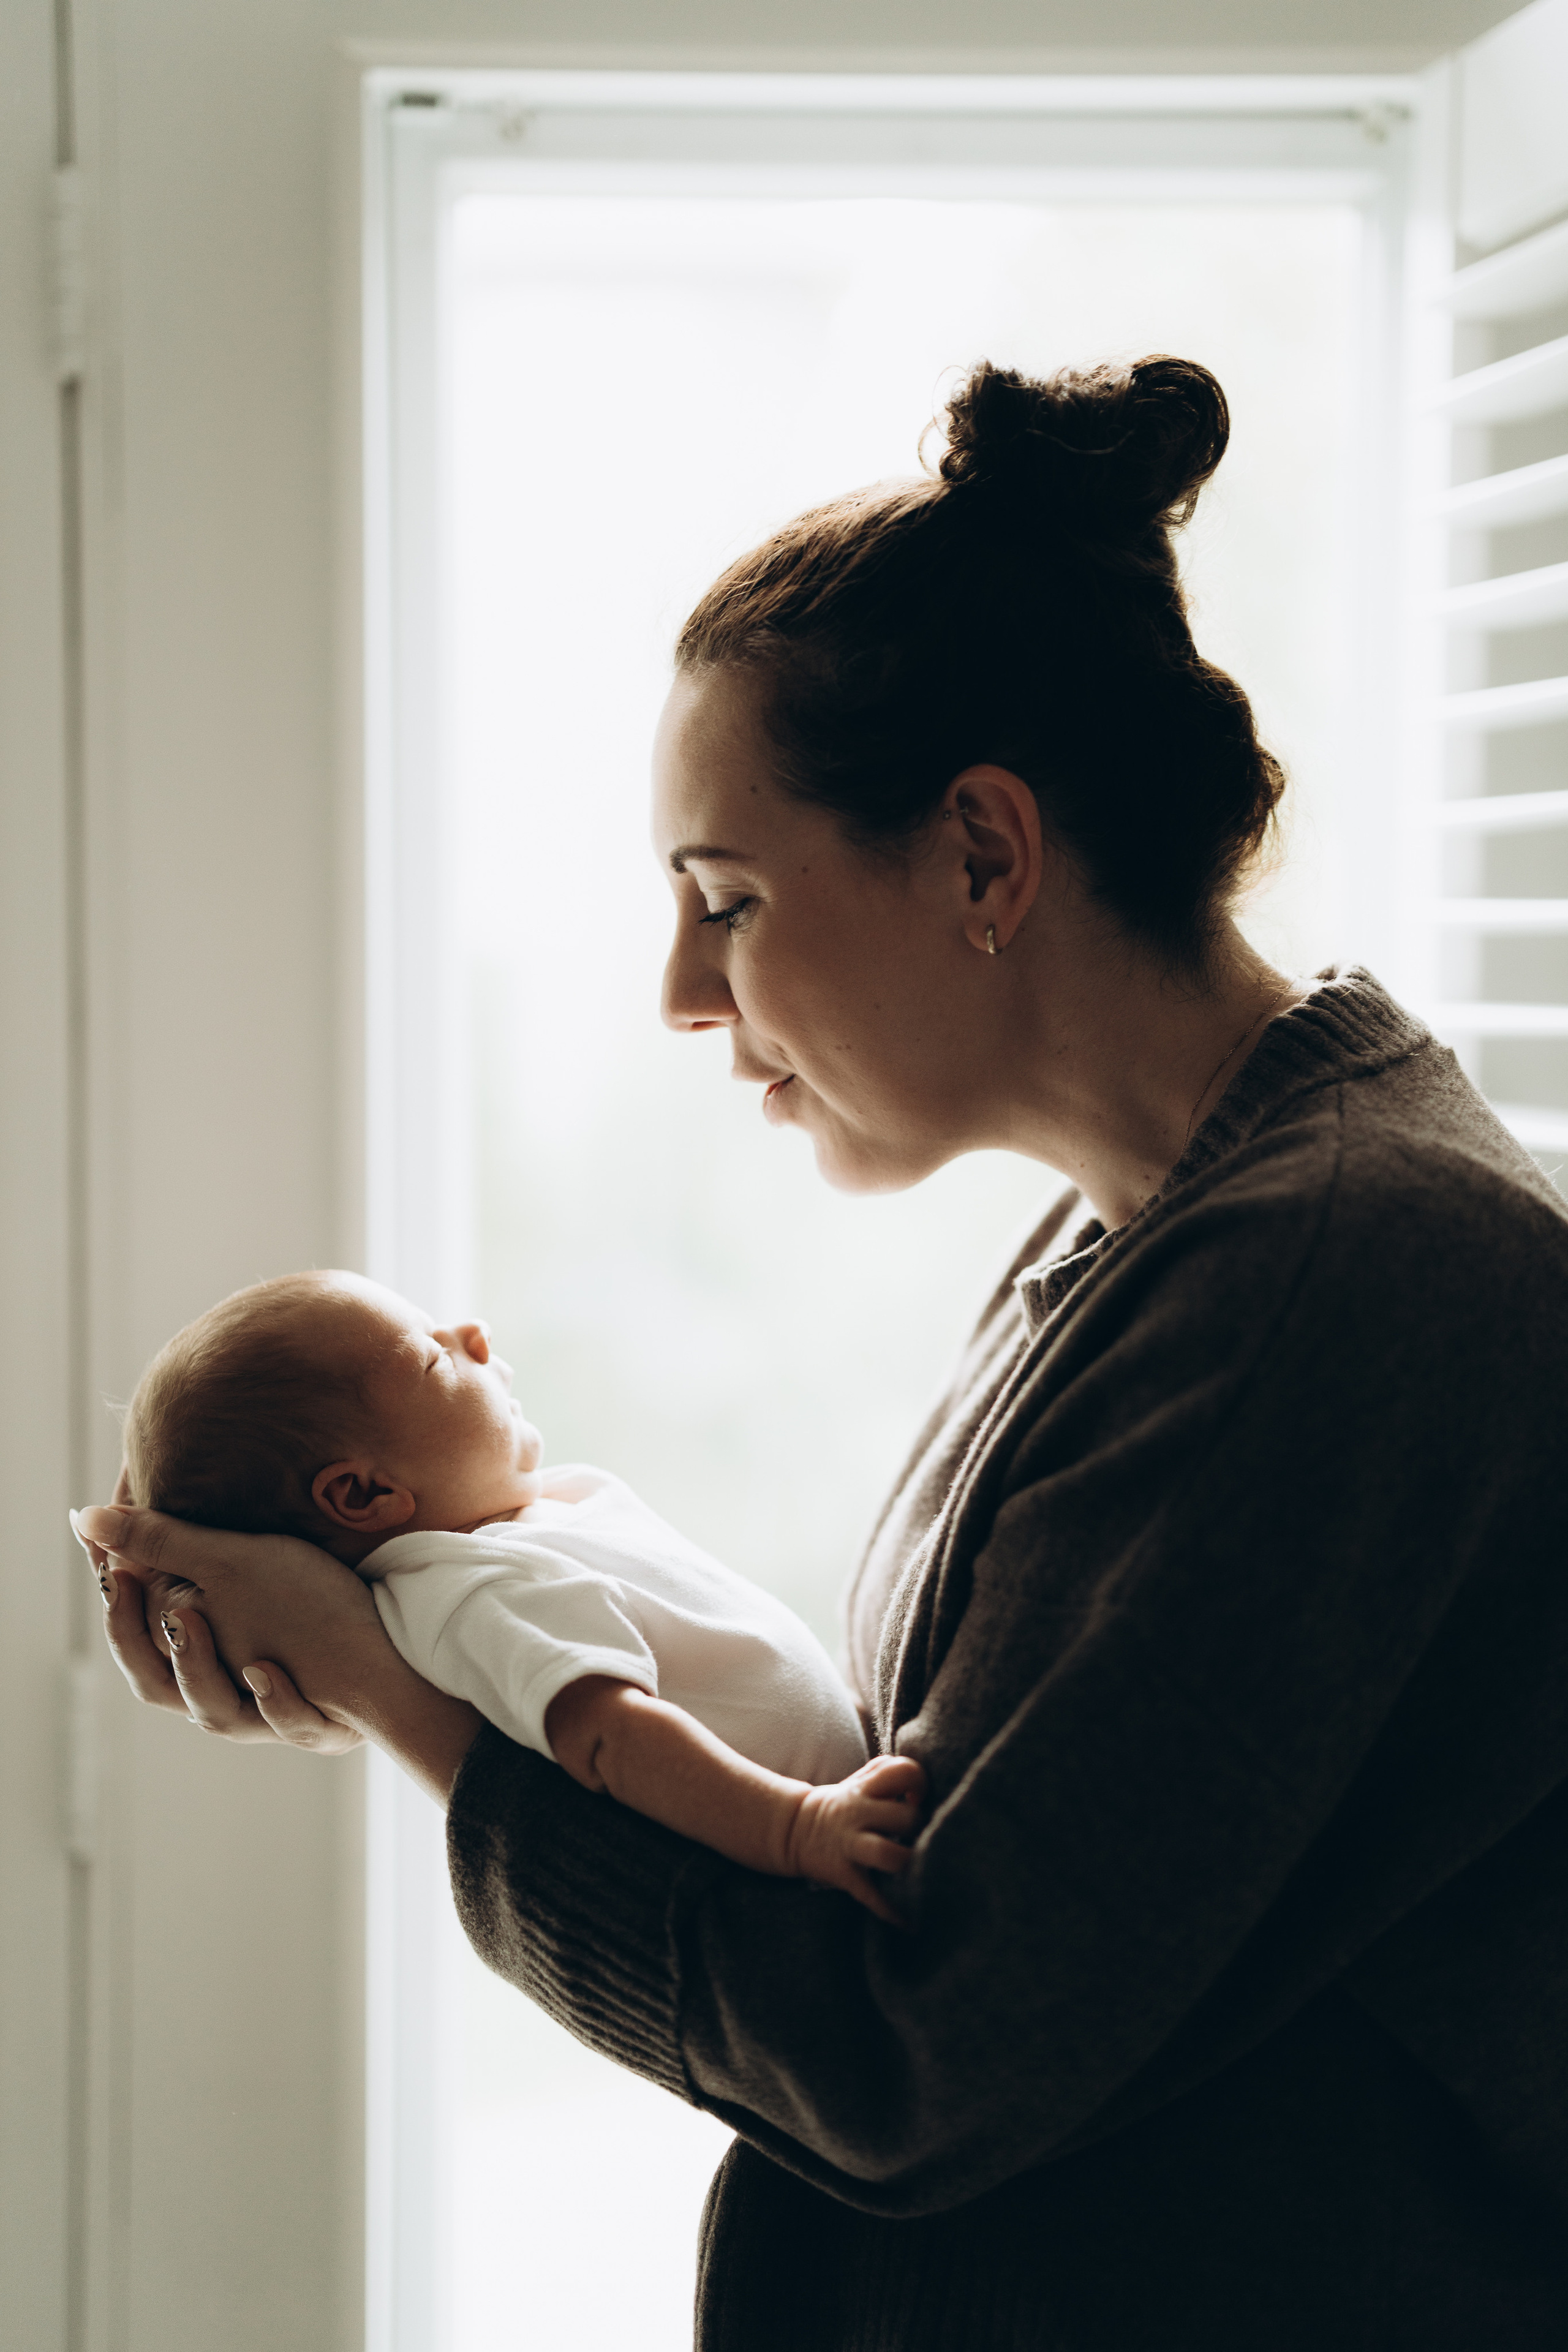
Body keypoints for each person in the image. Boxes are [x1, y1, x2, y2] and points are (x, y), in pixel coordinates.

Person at [77, 355, 1568, 2351]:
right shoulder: (1161, 1237)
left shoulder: (1336, 1278)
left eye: (729, 899)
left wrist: (401, 1695)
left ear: (980, 855)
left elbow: (907, 2051)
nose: (688, 993)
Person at [116, 1267, 920, 1915]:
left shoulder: (521, 1530)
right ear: (361, 1496)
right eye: (434, 1357)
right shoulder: (474, 1592)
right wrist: (796, 1827)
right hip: (810, 1865)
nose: (474, 1334)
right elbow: (610, 1739)